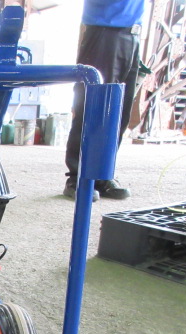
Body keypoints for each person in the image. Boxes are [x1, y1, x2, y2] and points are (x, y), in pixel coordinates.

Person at [63, 0, 145, 201]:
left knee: (120, 110)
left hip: (132, 35)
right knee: (93, 106)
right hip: (104, 31)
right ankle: (78, 177)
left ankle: (102, 175)